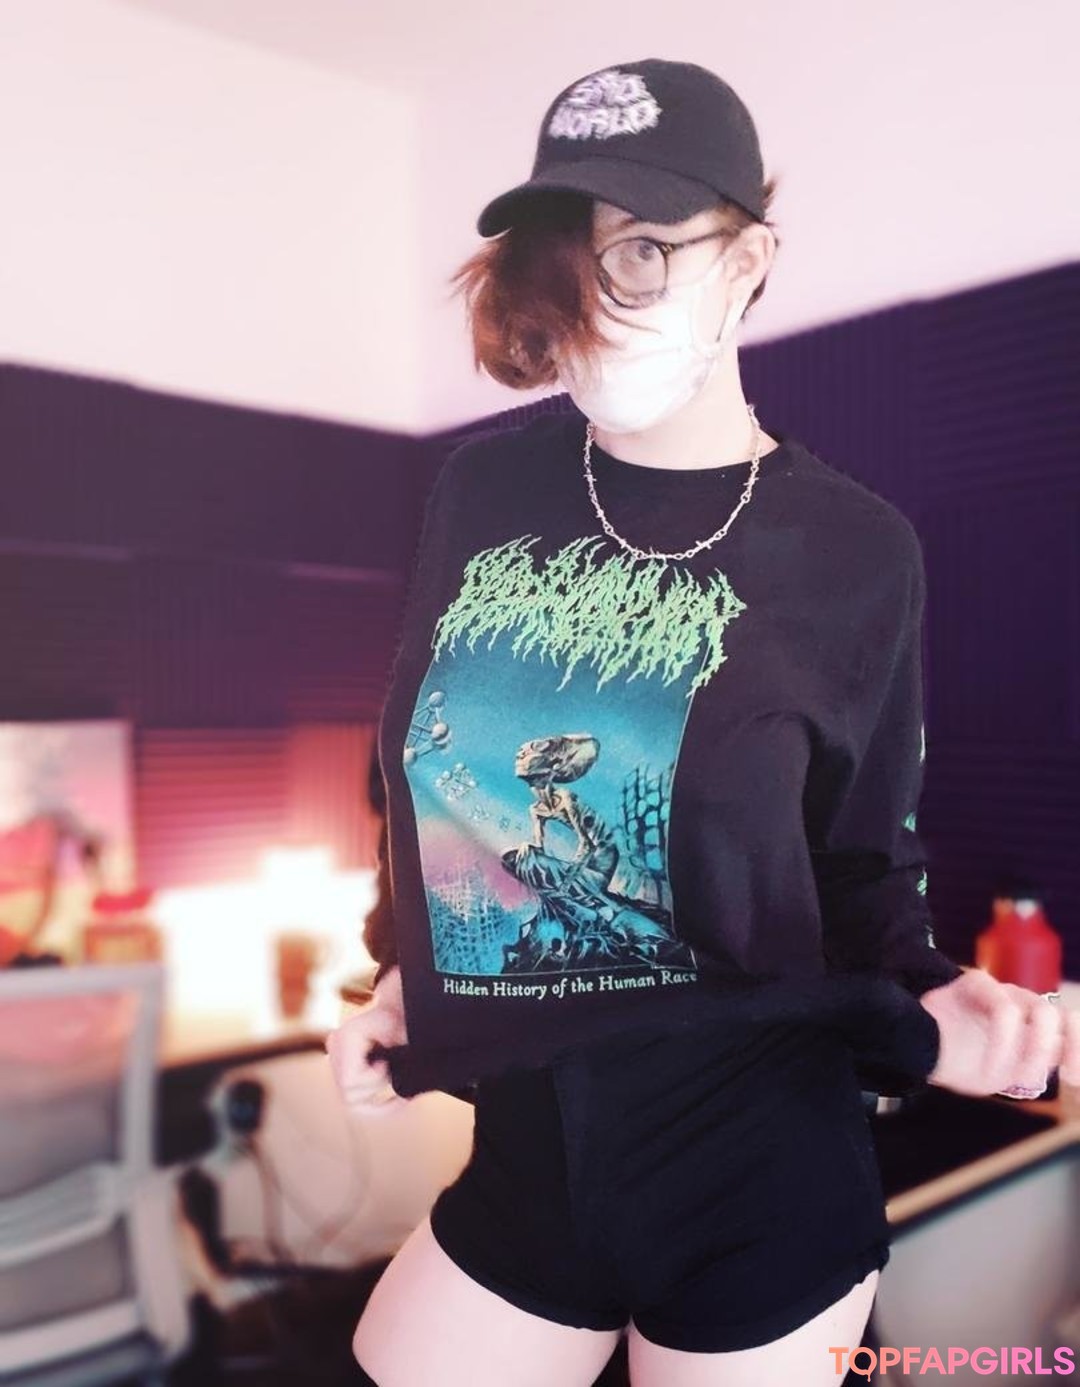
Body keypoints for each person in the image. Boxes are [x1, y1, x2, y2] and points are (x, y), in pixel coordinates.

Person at [326, 58, 1080, 1387]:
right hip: (531, 1157)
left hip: (754, 1172)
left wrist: (932, 994)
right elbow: (419, 772)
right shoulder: (482, 490)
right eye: (569, 263)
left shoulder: (855, 552)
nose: (594, 307)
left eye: (643, 252)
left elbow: (858, 869)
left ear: (747, 262)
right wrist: (406, 968)